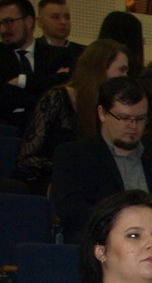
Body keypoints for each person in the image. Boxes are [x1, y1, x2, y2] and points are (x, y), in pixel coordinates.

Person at [50, 76, 152, 248]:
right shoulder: (74, 155)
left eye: (140, 118)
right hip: (102, 244)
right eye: (124, 118)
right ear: (102, 113)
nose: (133, 126)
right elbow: (71, 210)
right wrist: (126, 229)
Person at [14, 37, 129, 189]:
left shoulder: (110, 109)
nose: (125, 77)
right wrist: (71, 168)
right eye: (122, 70)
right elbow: (26, 159)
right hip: (49, 182)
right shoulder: (57, 98)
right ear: (101, 69)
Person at [1, 0, 73, 123]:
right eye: (0, 23)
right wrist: (45, 85)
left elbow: (65, 87)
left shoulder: (58, 55)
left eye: (8, 22)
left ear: (28, 22)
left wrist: (21, 81)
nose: (2, 29)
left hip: (49, 129)